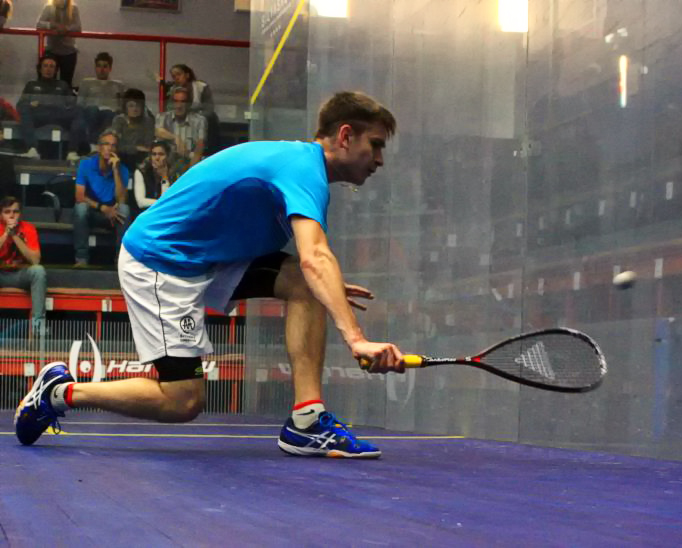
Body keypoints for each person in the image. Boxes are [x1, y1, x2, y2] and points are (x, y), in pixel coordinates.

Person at [15, 91, 405, 458]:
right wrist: (356, 339)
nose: (380, 159)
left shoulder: (301, 166)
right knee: (183, 400)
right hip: (161, 260)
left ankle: (307, 421)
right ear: (345, 136)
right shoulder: (304, 170)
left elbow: (312, 264)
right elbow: (314, 257)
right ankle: (59, 393)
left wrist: (325, 286)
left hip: (207, 258)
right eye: (375, 145)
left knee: (307, 287)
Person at [72, 129, 130, 266]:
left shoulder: (123, 170)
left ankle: (120, 261)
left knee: (125, 210)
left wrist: (115, 170)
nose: (109, 148)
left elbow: (122, 200)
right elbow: (79, 196)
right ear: (99, 147)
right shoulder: (85, 165)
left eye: (113, 145)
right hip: (92, 212)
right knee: (80, 208)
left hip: (112, 215)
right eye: (106, 144)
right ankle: (81, 258)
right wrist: (102, 207)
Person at [15, 54, 78, 160]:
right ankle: (32, 149)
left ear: (56, 70)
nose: (48, 69)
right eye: (45, 66)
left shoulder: (63, 85)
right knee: (25, 110)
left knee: (78, 112)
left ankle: (72, 151)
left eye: (51, 66)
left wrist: (65, 107)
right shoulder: (31, 85)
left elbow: (72, 104)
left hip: (59, 114)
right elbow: (20, 105)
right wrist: (30, 105)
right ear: (40, 69)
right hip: (39, 114)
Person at [0, 196, 47, 334]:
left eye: (15, 211)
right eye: (7, 212)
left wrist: (15, 236)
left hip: (20, 275)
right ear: (1, 214)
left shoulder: (28, 228)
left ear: (20, 214)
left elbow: (35, 260)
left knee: (38, 271)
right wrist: (6, 234)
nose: (12, 215)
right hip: (1, 274)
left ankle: (38, 327)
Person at [68, 52, 126, 162]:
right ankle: (90, 145)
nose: (102, 69)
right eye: (99, 66)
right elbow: (80, 103)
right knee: (92, 110)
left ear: (110, 68)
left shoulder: (118, 85)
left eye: (105, 66)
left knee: (109, 114)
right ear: (95, 67)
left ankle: (95, 144)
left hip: (109, 113)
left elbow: (121, 106)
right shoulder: (87, 83)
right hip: (90, 112)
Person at [160, 63, 219, 152]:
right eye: (173, 76)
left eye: (179, 74)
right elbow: (170, 108)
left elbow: (209, 108)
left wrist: (195, 118)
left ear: (187, 75)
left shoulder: (201, 87)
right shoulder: (173, 90)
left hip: (204, 121)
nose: (176, 78)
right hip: (181, 123)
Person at [155, 86, 206, 171]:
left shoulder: (199, 121)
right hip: (165, 165)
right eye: (176, 101)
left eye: (183, 101)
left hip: (188, 163)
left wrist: (190, 171)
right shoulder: (163, 117)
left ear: (189, 104)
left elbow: (199, 148)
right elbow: (158, 131)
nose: (179, 105)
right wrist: (176, 138)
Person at [36, 0, 81, 88]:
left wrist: (66, 28)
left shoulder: (73, 8)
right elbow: (39, 24)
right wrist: (52, 25)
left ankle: (64, 96)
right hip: (51, 50)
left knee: (66, 83)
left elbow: (78, 27)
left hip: (68, 51)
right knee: (46, 81)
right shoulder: (49, 8)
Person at [111, 88, 155, 172]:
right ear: (125, 107)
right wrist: (136, 148)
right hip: (122, 158)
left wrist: (130, 147)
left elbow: (147, 146)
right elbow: (116, 145)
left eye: (138, 105)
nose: (135, 109)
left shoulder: (148, 121)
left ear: (142, 107)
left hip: (142, 159)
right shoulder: (119, 120)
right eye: (131, 106)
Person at [133, 140, 180, 211]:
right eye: (154, 154)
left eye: (161, 154)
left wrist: (164, 178)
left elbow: (170, 201)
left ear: (167, 156)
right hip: (145, 212)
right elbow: (141, 202)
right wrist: (162, 203)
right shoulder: (141, 171)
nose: (157, 158)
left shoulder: (173, 174)